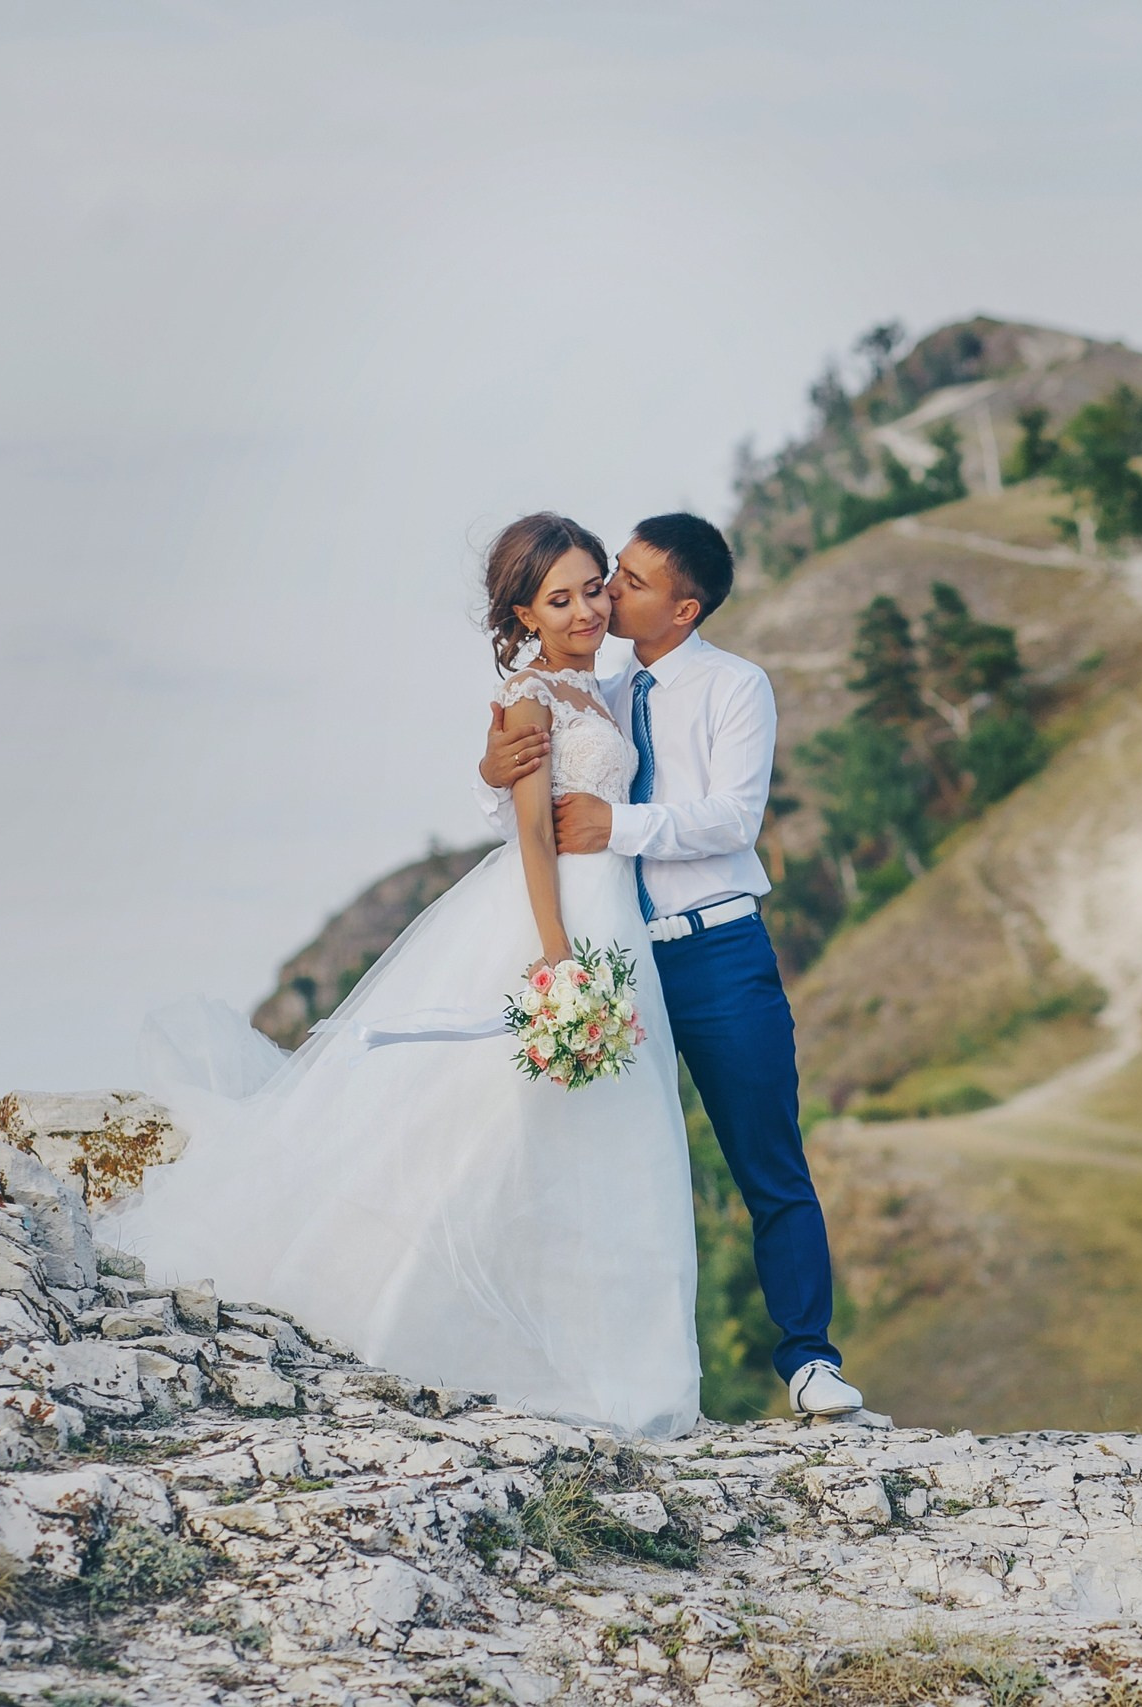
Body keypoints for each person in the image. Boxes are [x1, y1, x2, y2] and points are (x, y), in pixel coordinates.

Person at [106, 513, 700, 1439]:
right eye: (561, 597)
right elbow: (530, 830)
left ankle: (631, 1371)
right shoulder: (532, 696)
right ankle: (420, 1323)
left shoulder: (605, 690)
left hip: (616, 916)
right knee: (493, 1130)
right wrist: (556, 955)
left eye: (594, 588)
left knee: (617, 1135)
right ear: (522, 611)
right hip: (562, 921)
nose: (586, 608)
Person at [474, 513, 863, 1421]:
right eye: (609, 575)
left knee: (769, 1163)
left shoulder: (737, 686)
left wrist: (624, 827)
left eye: (630, 582)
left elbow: (734, 816)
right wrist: (490, 764)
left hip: (719, 951)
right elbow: (536, 782)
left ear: (683, 609)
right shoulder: (597, 685)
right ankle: (602, 1372)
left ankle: (809, 1360)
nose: (608, 593)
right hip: (623, 960)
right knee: (621, 1168)